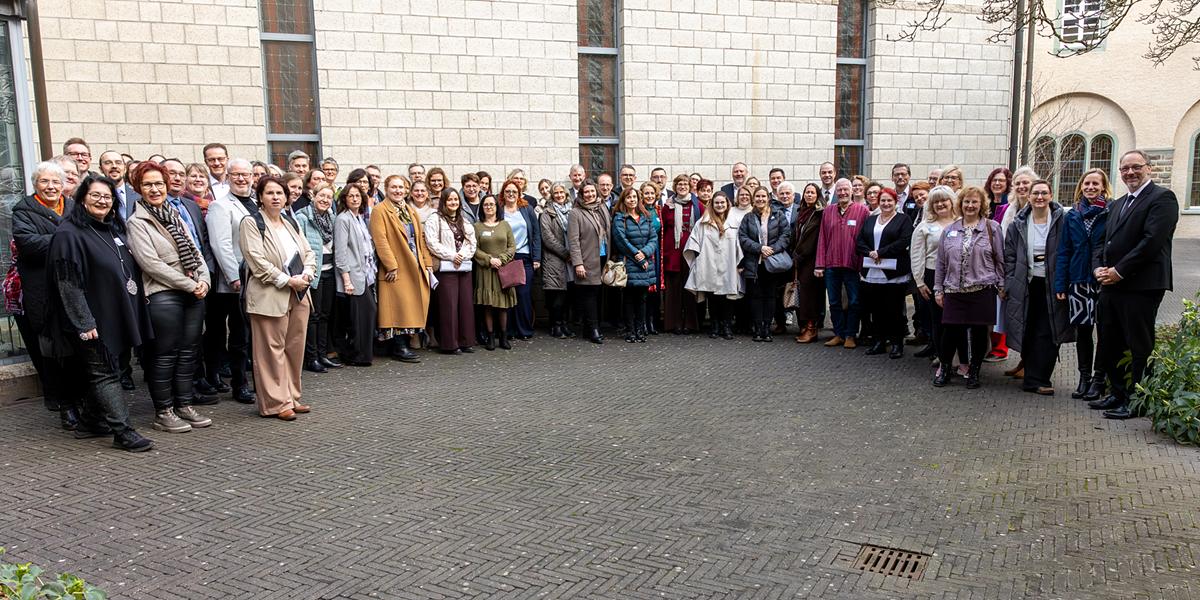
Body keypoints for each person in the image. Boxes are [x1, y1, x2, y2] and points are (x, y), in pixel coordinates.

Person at [44, 176, 154, 451]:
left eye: (107, 197)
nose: (102, 201)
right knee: (105, 373)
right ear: (82, 199)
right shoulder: (68, 234)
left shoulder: (111, 229)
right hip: (93, 320)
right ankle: (123, 432)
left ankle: (91, 421)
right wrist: (83, 322)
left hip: (118, 315)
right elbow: (67, 283)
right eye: (96, 196)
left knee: (113, 368)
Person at [1088, 150, 1179, 419]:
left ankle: (1138, 399)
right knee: (1110, 341)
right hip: (1111, 285)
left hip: (1141, 285)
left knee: (1138, 344)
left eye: (1136, 167)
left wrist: (1120, 271)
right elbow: (1103, 242)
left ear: (1149, 169)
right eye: (1125, 168)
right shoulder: (1117, 204)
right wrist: (1099, 268)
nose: (1130, 172)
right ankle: (1117, 393)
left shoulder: (1162, 199)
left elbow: (1151, 242)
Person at [125, 161, 213, 432]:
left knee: (189, 353)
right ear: (139, 188)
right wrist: (189, 285)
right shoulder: (137, 222)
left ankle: (184, 405)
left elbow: (196, 252)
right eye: (148, 184)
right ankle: (163, 411)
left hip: (192, 291)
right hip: (163, 294)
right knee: (165, 355)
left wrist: (205, 281)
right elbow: (150, 264)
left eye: (159, 184)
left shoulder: (174, 214)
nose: (155, 189)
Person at [240, 176, 316, 421]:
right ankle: (275, 403)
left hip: (299, 293)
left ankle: (292, 396)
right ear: (260, 196)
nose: (275, 197)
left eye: (280, 193)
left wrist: (308, 272)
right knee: (270, 351)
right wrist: (286, 280)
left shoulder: (290, 222)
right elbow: (256, 261)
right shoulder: (252, 223)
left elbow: (307, 252)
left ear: (286, 197)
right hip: (270, 294)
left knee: (294, 348)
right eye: (270, 192)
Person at [10, 162, 80, 429]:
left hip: (75, 289)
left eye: (55, 182)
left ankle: (82, 400)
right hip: (45, 293)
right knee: (55, 353)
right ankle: (66, 406)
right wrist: (68, 241)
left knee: (78, 350)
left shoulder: (74, 207)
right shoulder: (23, 211)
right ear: (35, 184)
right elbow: (29, 244)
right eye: (44, 182)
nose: (51, 187)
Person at [932, 186, 1005, 389]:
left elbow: (1000, 260)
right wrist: (938, 289)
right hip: (954, 290)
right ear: (960, 204)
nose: (970, 205)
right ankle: (945, 369)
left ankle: (974, 371)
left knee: (980, 333)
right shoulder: (950, 230)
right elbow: (941, 263)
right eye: (966, 202)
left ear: (982, 205)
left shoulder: (992, 228)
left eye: (974, 202)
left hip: (982, 289)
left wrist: (1001, 285)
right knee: (950, 332)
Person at [1002, 180, 1071, 395]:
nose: (1039, 197)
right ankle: (1031, 378)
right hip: (1027, 284)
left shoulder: (1062, 221)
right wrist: (1009, 282)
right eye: (1035, 194)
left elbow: (1069, 251)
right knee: (1029, 329)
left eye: (1044, 193)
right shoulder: (1018, 224)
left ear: (1051, 195)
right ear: (1029, 197)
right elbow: (1010, 256)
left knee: (1050, 330)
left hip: (1054, 284)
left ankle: (1042, 377)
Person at [1055, 167, 1111, 400]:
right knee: (1084, 332)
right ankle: (1084, 377)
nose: (1090, 187)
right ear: (1081, 186)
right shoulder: (1073, 215)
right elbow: (1064, 251)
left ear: (1103, 187)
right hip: (1078, 280)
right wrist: (1060, 284)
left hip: (1104, 279)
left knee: (1106, 332)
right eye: (1087, 184)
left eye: (1095, 184)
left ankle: (1100, 379)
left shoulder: (1111, 211)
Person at [203, 158, 256, 403]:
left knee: (248, 335)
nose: (242, 178)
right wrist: (234, 277)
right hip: (232, 284)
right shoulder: (220, 207)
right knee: (236, 336)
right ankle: (238, 384)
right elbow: (221, 244)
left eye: (246, 174)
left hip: (256, 280)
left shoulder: (256, 204)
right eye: (236, 174)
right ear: (228, 176)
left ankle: (252, 381)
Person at [371, 174, 433, 363]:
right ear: (387, 189)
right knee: (397, 307)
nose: (398, 191)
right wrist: (391, 266)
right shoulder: (380, 210)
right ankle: (399, 346)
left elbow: (420, 238)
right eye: (393, 187)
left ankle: (406, 342)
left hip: (415, 263)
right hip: (397, 267)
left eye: (401, 187)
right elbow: (380, 240)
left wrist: (427, 263)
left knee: (411, 305)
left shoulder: (409, 210)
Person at [856, 187, 914, 358]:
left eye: (890, 200)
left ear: (896, 202)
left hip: (893, 273)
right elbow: (860, 241)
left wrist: (881, 252)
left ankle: (896, 343)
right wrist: (870, 253)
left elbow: (904, 240)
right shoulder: (871, 219)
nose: (886, 204)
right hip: (871, 271)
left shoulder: (903, 220)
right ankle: (878, 341)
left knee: (894, 310)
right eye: (883, 201)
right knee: (876, 309)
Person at [815, 178, 869, 349]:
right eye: (840, 190)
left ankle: (851, 335)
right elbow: (822, 239)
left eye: (846, 189)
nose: (843, 193)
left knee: (854, 301)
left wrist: (863, 266)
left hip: (853, 265)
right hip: (832, 264)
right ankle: (839, 333)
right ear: (835, 192)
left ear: (852, 191)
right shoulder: (828, 211)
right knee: (834, 301)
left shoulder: (863, 211)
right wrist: (819, 264)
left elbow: (866, 240)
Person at [293, 183, 340, 373]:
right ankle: (311, 358)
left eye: (329, 197)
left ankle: (322, 355)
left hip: (330, 271)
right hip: (314, 272)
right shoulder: (302, 217)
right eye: (322, 195)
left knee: (325, 315)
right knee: (313, 316)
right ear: (313, 195)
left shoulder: (332, 217)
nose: (325, 200)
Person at [425, 188, 478, 354]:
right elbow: (432, 243)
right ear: (444, 202)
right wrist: (452, 256)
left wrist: (462, 255)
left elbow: (472, 242)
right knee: (449, 306)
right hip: (446, 269)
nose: (453, 203)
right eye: (450, 200)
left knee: (465, 305)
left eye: (456, 200)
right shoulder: (435, 219)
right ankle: (450, 344)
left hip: (463, 268)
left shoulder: (464, 220)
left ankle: (466, 341)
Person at [910, 186, 959, 361]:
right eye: (936, 201)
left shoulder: (962, 222)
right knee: (938, 319)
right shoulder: (924, 226)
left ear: (952, 201)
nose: (940, 204)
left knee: (956, 320)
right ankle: (941, 355)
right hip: (932, 276)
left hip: (959, 278)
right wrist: (920, 282)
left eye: (943, 200)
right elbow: (917, 254)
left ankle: (956, 357)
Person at [684, 191, 742, 339]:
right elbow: (693, 243)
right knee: (712, 295)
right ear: (712, 204)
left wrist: (740, 262)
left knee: (728, 296)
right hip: (708, 263)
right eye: (717, 202)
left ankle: (726, 325)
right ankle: (715, 325)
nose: (720, 205)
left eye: (722, 202)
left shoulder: (733, 222)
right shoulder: (703, 222)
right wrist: (697, 262)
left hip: (728, 264)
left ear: (727, 203)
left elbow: (740, 244)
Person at [333, 181, 378, 366]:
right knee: (361, 316)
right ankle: (356, 355)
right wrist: (346, 279)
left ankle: (360, 354)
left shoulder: (358, 217)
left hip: (364, 274)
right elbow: (341, 252)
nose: (354, 198)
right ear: (344, 198)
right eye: (350, 195)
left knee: (366, 315)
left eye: (357, 195)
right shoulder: (343, 219)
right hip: (352, 276)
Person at [738, 187, 791, 342]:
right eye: (757, 196)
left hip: (772, 263)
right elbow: (743, 238)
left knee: (770, 296)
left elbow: (786, 235)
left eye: (763, 196)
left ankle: (767, 328)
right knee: (755, 296)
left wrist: (772, 250)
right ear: (754, 199)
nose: (760, 199)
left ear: (768, 198)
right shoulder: (748, 217)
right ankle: (758, 328)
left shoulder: (778, 215)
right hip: (754, 263)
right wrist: (759, 248)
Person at [611, 187, 658, 343]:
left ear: (639, 199)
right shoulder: (619, 218)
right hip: (629, 263)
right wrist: (638, 258)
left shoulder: (646, 216)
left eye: (634, 197)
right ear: (624, 200)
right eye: (628, 197)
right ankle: (630, 330)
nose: (632, 199)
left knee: (642, 299)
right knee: (629, 299)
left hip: (645, 263)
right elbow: (621, 241)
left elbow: (653, 238)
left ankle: (640, 330)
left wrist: (644, 253)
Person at [498, 178, 542, 340]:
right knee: (508, 294)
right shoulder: (499, 210)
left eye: (514, 191)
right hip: (506, 258)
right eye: (508, 191)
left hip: (525, 258)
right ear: (503, 193)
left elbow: (536, 233)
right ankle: (508, 330)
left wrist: (536, 257)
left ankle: (524, 330)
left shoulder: (526, 209)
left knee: (523, 295)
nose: (511, 194)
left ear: (519, 193)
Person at [472, 195, 517, 350]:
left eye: (492, 204)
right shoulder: (477, 226)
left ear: (497, 207)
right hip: (485, 270)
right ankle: (490, 337)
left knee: (502, 305)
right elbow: (474, 248)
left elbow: (512, 246)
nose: (489, 207)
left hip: (503, 270)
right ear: (482, 207)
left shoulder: (505, 225)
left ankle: (503, 337)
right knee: (488, 305)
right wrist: (489, 259)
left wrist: (501, 259)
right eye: (486, 204)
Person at [568, 180, 610, 344]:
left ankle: (589, 328)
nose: (590, 195)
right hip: (587, 260)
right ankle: (593, 329)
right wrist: (578, 263)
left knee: (598, 295)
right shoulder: (575, 213)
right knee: (590, 295)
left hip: (602, 257)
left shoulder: (602, 208)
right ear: (581, 194)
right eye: (586, 192)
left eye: (593, 191)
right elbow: (573, 241)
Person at [661, 174, 703, 334]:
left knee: (690, 289)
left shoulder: (697, 205)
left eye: (685, 184)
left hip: (691, 252)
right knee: (673, 291)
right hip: (672, 253)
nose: (682, 186)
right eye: (679, 184)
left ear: (690, 186)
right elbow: (662, 228)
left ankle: (690, 323)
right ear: (675, 186)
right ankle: (674, 323)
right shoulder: (668, 206)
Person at [984, 167, 1014, 363]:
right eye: (994, 180)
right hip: (984, 260)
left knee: (999, 304)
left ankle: (1000, 347)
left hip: (1001, 259)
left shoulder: (1009, 206)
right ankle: (986, 345)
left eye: (1001, 181)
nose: (997, 184)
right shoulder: (985, 203)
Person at [791, 183, 825, 343]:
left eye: (812, 192)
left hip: (811, 259)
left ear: (817, 195)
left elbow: (812, 239)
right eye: (807, 192)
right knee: (803, 294)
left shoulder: (819, 213)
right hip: (801, 259)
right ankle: (805, 325)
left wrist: (798, 255)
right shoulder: (801, 212)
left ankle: (812, 328)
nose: (809, 195)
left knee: (811, 295)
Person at [540, 182, 573, 338]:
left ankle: (565, 324)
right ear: (552, 196)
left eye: (562, 193)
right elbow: (548, 238)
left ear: (566, 194)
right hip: (555, 259)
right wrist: (566, 253)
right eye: (556, 193)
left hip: (571, 260)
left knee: (568, 296)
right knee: (557, 297)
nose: (559, 195)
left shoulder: (572, 211)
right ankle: (556, 326)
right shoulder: (547, 213)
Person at [638, 181, 664, 335]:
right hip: (644, 253)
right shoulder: (639, 211)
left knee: (654, 291)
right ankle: (643, 323)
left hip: (657, 253)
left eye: (652, 193)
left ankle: (652, 321)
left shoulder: (658, 210)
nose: (649, 196)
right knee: (644, 290)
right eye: (646, 193)